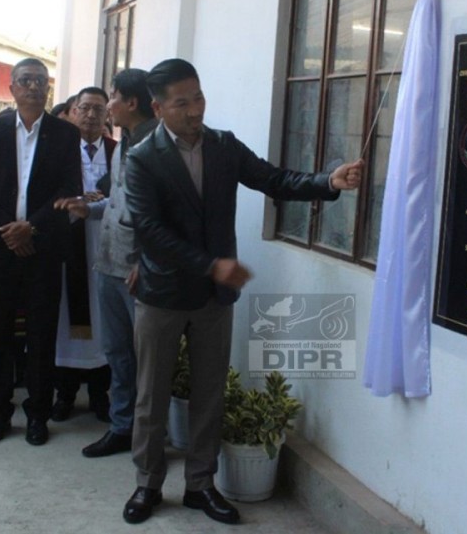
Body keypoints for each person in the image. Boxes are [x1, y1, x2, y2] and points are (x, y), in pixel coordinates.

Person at [121, 59, 363, 525]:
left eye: (199, 98)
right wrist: (212, 265)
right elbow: (150, 231)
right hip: (163, 295)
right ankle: (147, 484)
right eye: (182, 102)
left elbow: (273, 179)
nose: (195, 110)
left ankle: (200, 485)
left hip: (214, 300)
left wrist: (327, 182)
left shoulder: (223, 146)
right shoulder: (142, 158)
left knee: (210, 393)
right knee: (151, 395)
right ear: (158, 107)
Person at [0, 57, 82, 446]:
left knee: (42, 335)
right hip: (0, 248)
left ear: (48, 88)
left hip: (43, 247)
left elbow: (68, 188)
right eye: (25, 80)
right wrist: (9, 230)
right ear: (12, 86)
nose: (33, 86)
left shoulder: (65, 135)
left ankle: (39, 415)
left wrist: (30, 226)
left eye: (40, 80)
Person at [81, 68, 157, 459]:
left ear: (131, 102)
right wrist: (88, 209)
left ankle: (147, 437)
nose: (108, 104)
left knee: (146, 358)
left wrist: (146, 262)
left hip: (136, 271)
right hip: (109, 261)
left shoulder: (160, 146)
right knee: (117, 353)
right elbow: (119, 203)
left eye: (112, 96)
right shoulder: (123, 144)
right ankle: (122, 426)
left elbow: (164, 215)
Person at [52, 87, 115, 423]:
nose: (91, 115)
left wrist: (98, 199)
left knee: (105, 322)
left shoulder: (119, 152)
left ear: (108, 115)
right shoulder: (57, 151)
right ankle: (64, 395)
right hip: (69, 248)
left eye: (98, 109)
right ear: (73, 111)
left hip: (106, 249)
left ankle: (99, 396)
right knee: (67, 321)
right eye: (85, 108)